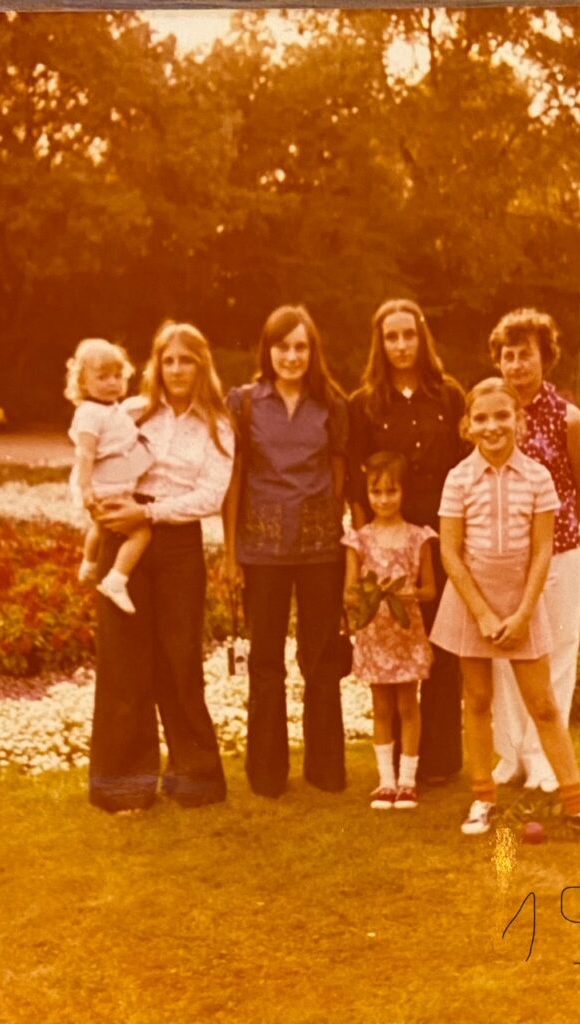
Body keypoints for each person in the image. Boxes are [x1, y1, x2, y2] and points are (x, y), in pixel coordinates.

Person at [430, 378, 580, 843]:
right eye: (481, 418)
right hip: (472, 603)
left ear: (519, 420)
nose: (492, 426)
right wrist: (482, 613)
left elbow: (542, 552)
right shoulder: (458, 479)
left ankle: (579, 805)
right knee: (478, 700)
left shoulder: (538, 478)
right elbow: (450, 553)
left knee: (544, 705)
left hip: (522, 605)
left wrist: (521, 614)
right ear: (466, 426)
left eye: (502, 415)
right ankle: (483, 798)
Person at [89, 321, 235, 813]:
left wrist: (149, 515)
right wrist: (108, 508)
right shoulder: (131, 413)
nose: (176, 369)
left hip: (177, 544)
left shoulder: (216, 424)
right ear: (156, 365)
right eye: (168, 360)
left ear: (201, 365)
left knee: (179, 660)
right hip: (123, 538)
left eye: (185, 360)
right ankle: (123, 787)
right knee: (123, 661)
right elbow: (94, 462)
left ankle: (194, 779)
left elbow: (211, 495)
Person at [223, 305, 348, 798]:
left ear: (312, 351)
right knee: (265, 662)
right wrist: (230, 552)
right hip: (262, 551)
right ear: (267, 350)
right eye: (283, 347)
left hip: (320, 550)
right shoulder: (244, 403)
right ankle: (267, 773)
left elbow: (338, 474)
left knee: (321, 660)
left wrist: (340, 537)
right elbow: (235, 479)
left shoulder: (331, 404)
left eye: (301, 347)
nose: (292, 356)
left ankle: (325, 769)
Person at [347, 298, 466, 785]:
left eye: (408, 335)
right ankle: (396, 764)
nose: (400, 345)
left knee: (441, 647)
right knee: (394, 652)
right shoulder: (364, 404)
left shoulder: (449, 395)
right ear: (380, 343)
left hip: (440, 539)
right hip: (387, 547)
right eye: (391, 337)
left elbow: (464, 467)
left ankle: (438, 761)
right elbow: (356, 487)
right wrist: (364, 553)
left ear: (422, 338)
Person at [488, 309, 580, 792]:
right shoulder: (492, 416)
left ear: (544, 357)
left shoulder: (567, 418)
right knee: (504, 655)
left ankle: (545, 758)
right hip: (504, 558)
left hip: (559, 556)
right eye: (508, 356)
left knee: (557, 654)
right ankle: (511, 754)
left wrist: (550, 538)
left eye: (525, 355)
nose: (516, 365)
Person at [342, 452, 437, 811]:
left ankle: (408, 782)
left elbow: (430, 590)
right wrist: (368, 594)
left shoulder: (418, 538)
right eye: (376, 492)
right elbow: (349, 593)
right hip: (375, 636)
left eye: (391, 491)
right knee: (381, 707)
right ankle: (386, 781)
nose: (383, 499)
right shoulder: (360, 540)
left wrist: (410, 593)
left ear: (404, 492)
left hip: (406, 635)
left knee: (408, 705)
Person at [64, 337, 154, 614]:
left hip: (111, 485)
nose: (112, 383)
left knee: (101, 527)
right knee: (141, 533)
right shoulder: (90, 414)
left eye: (117, 376)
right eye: (102, 377)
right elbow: (85, 453)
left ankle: (89, 565)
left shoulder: (111, 408)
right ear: (83, 382)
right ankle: (116, 579)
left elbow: (128, 417)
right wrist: (85, 487)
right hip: (105, 487)